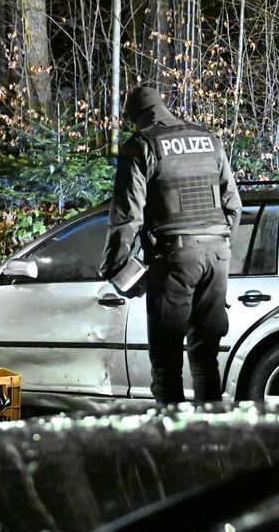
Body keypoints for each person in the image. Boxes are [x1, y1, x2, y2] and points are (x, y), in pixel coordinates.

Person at [100, 85, 241, 405]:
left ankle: (171, 447)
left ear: (135, 116)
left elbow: (127, 216)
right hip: (217, 256)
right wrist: (216, 244)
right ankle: (214, 444)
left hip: (175, 258)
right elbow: (233, 205)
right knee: (206, 359)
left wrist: (114, 265)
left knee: (166, 364)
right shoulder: (209, 139)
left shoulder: (141, 144)